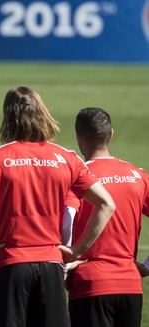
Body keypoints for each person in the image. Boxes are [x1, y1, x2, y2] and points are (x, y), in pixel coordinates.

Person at [0, 86, 115, 327]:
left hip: (9, 264)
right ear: (42, 113)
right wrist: (76, 249)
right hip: (51, 266)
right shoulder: (66, 157)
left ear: (8, 117)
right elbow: (107, 203)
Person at [65, 107, 149, 327]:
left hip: (89, 284)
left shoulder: (75, 177)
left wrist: (64, 264)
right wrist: (148, 266)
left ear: (79, 139)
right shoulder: (137, 175)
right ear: (111, 134)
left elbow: (66, 219)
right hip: (131, 285)